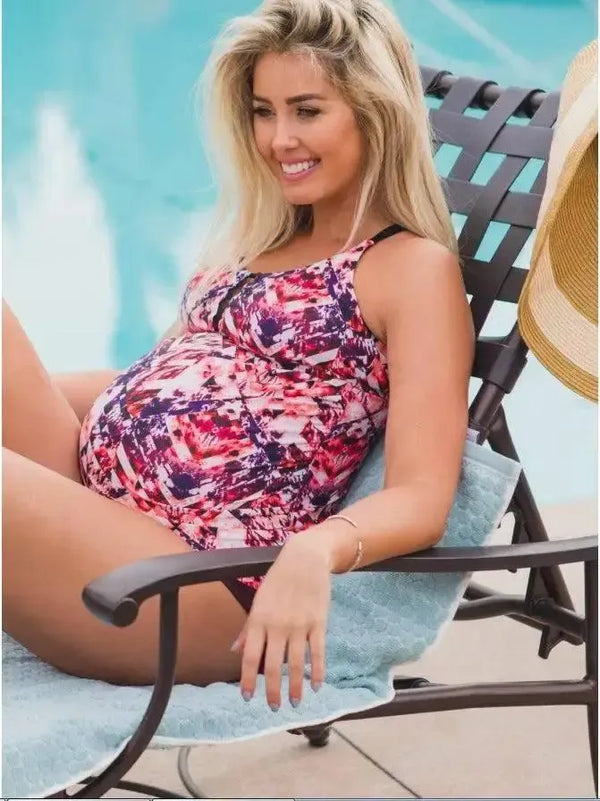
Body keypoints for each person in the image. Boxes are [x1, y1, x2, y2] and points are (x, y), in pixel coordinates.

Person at [2, 0, 474, 713]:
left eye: (307, 111)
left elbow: (421, 496)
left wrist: (314, 550)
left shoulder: (410, 268)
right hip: (103, 513)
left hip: (188, 582)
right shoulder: (259, 242)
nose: (279, 139)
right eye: (263, 111)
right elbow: (175, 379)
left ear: (373, 112)